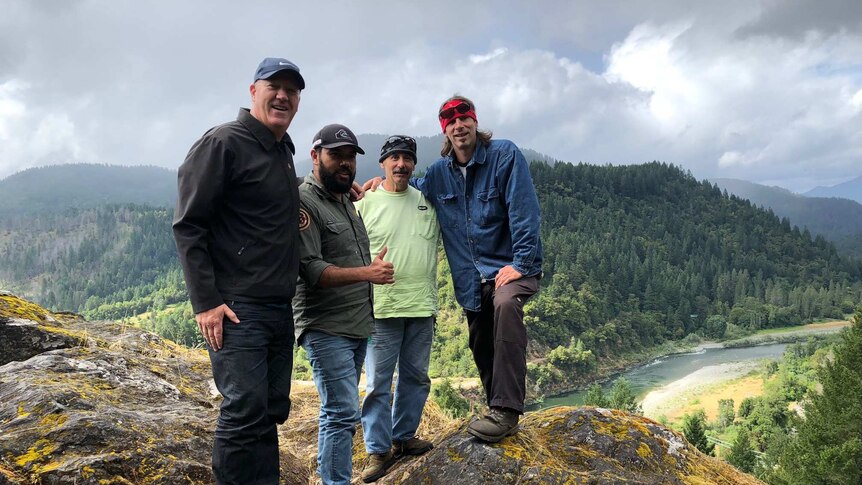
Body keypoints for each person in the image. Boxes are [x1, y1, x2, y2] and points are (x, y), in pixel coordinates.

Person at [369, 95, 543, 443]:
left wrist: (521, 264)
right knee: (480, 341)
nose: (458, 125)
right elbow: (410, 190)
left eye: (464, 118)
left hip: (509, 268)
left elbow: (525, 210)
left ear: (475, 123)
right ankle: (498, 408)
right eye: (450, 121)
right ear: (445, 131)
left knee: (505, 307)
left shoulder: (504, 155)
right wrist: (379, 184)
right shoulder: (438, 174)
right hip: (470, 279)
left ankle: (508, 411)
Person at [172, 57, 305, 484]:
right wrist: (207, 302)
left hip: (277, 305)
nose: (283, 95)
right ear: (253, 92)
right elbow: (188, 225)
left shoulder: (283, 150)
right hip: (237, 308)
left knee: (269, 411)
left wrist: (351, 189)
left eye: (292, 89)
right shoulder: (223, 142)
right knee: (243, 412)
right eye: (274, 86)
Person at [293, 124, 395, 485]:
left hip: (356, 325)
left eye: (350, 157)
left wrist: (356, 191)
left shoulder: (343, 199)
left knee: (339, 414)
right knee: (340, 412)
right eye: (336, 155)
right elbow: (312, 270)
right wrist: (368, 272)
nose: (345, 163)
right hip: (325, 326)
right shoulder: (303, 200)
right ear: (315, 155)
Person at [355, 136, 439, 482]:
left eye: (407, 158)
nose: (401, 164)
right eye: (394, 158)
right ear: (382, 164)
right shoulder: (365, 203)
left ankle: (403, 438)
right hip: (380, 309)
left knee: (416, 377)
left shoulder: (428, 202)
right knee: (377, 383)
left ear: (414, 165)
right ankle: (378, 450)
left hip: (422, 306)